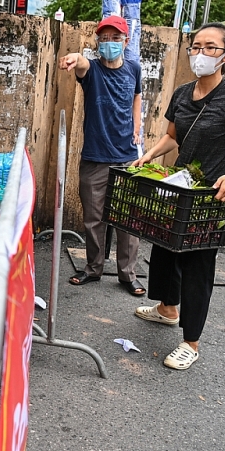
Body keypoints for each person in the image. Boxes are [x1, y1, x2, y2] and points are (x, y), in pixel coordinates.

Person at [131, 22, 225, 370]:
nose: (201, 53)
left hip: (211, 197)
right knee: (163, 249)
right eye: (196, 46)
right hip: (179, 187)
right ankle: (167, 309)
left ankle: (190, 342)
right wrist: (151, 153)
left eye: (211, 47)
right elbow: (172, 137)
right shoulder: (181, 93)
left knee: (197, 265)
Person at [59, 15, 145, 296]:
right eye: (104, 38)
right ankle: (93, 268)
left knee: (127, 221)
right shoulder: (92, 70)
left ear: (126, 41)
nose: (109, 43)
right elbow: (81, 64)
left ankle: (127, 274)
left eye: (115, 38)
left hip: (127, 157)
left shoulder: (134, 68)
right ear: (97, 42)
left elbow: (136, 96)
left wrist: (136, 126)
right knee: (93, 219)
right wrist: (75, 57)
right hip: (95, 157)